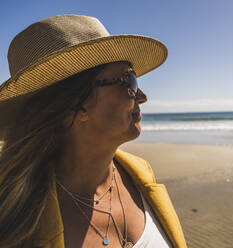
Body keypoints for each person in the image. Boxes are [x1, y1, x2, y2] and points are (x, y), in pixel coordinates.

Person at [0, 15, 187, 248]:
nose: (142, 96)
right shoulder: (19, 227)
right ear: (77, 105)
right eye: (128, 82)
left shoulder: (142, 176)